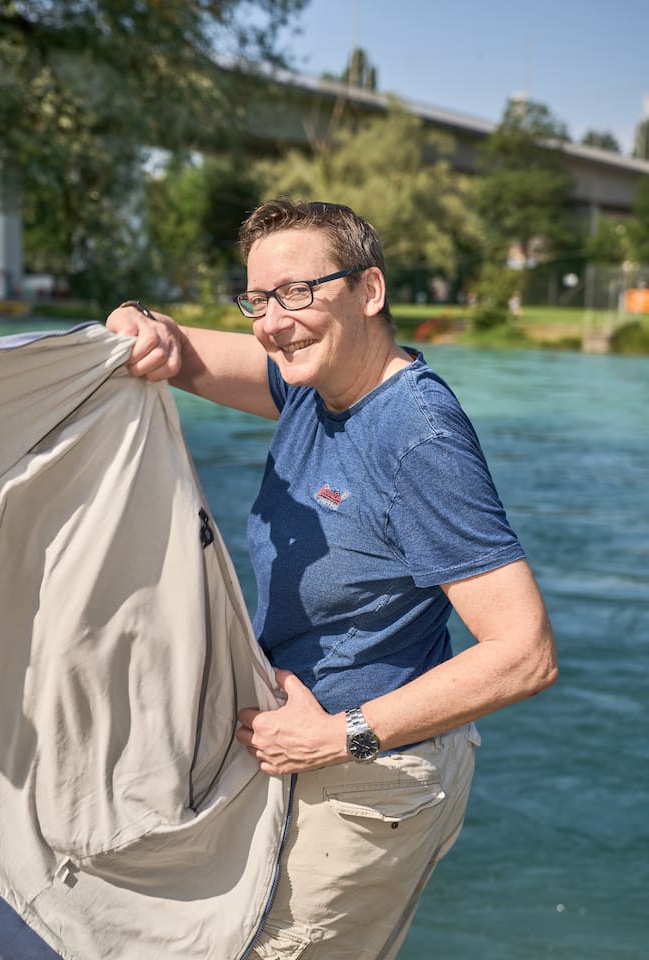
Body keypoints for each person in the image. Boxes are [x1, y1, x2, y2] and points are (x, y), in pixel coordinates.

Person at [106, 198, 558, 960]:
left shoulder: (417, 437)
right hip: (305, 752)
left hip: (368, 774)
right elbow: (173, 351)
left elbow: (524, 652)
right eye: (256, 299)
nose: (272, 322)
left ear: (369, 290)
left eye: (297, 292)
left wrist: (333, 737)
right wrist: (132, 318)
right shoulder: (309, 385)